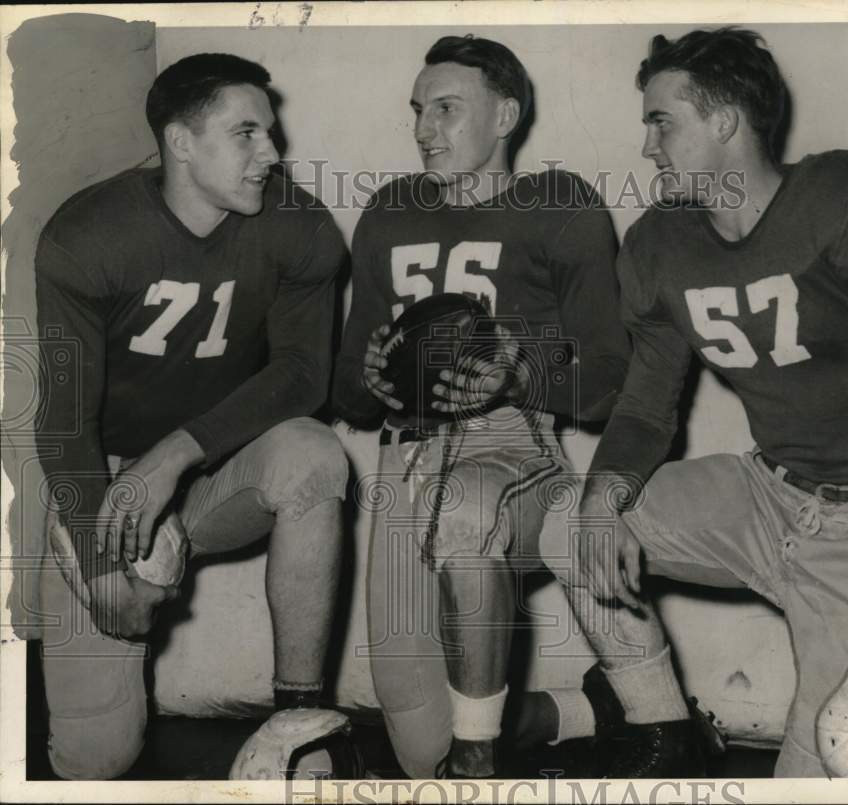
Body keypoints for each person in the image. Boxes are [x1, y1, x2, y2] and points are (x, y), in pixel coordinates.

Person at [541, 27, 848, 778]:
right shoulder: (660, 243)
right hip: (766, 496)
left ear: (726, 121)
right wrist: (603, 500)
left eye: (662, 122)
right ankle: (663, 729)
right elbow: (645, 406)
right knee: (571, 523)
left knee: (816, 773)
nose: (646, 146)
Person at [34, 53, 349, 780]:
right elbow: (64, 419)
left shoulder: (297, 225)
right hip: (112, 487)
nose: (272, 153)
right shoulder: (90, 233)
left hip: (216, 471)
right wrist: (103, 565)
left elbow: (304, 375)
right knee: (93, 762)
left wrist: (178, 452)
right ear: (181, 141)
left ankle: (295, 718)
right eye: (246, 133)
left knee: (312, 453)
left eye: (269, 131)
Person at [332, 35, 630, 778]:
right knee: (421, 749)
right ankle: (594, 712)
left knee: (467, 517)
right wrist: (372, 379)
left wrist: (517, 373)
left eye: (446, 108)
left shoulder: (558, 205)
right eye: (417, 110)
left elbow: (608, 382)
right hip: (405, 460)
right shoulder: (391, 211)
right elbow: (345, 396)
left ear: (504, 116)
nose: (423, 128)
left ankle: (487, 758)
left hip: (514, 448)